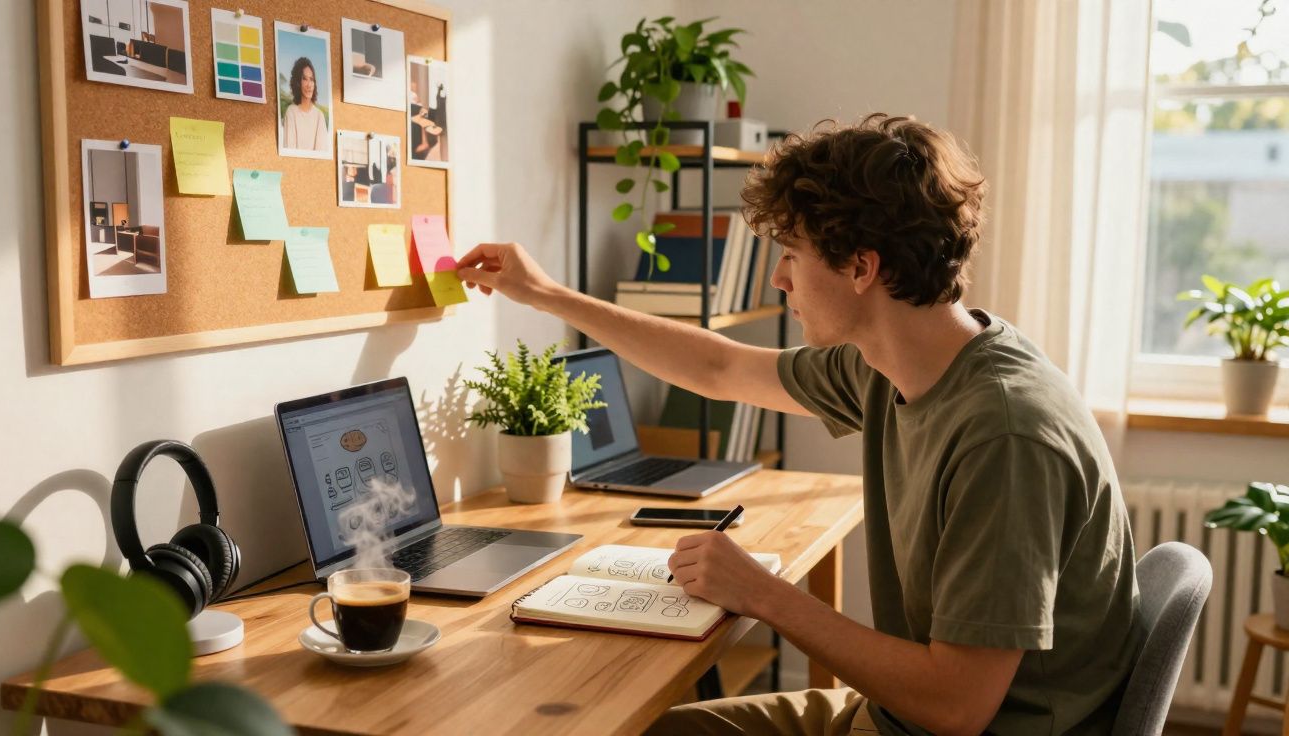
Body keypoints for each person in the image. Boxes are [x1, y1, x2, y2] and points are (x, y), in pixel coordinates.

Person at [455, 113, 1143, 735]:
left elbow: (957, 706)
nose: (779, 280)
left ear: (860, 268)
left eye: (791, 253)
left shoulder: (1005, 433)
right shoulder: (899, 361)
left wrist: (763, 594)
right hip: (901, 716)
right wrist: (546, 295)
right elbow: (722, 370)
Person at [282, 57, 329, 153]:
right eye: (304, 79)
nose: (309, 84)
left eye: (311, 79)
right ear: (298, 82)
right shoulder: (291, 112)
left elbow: (321, 153)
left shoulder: (319, 116)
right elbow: (290, 152)